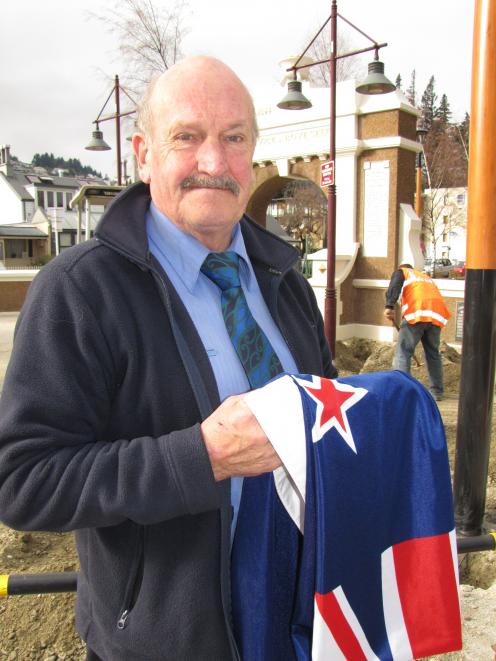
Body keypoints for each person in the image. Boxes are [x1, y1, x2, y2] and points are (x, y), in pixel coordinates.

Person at [0, 56, 336, 661]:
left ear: (251, 151)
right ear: (144, 153)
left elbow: (324, 417)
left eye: (233, 138)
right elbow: (23, 481)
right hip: (169, 643)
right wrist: (200, 459)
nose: (213, 161)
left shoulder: (285, 279)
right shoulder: (79, 291)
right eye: (187, 137)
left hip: (302, 623)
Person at [384, 262, 450, 401]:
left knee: (403, 352)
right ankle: (437, 391)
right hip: (436, 314)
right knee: (433, 354)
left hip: (418, 311)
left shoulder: (403, 272)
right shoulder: (425, 277)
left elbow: (395, 284)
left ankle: (402, 391)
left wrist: (389, 305)